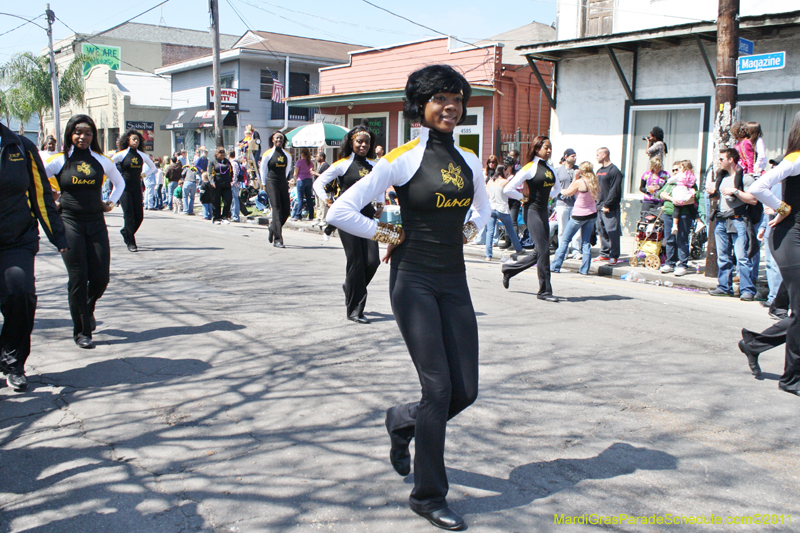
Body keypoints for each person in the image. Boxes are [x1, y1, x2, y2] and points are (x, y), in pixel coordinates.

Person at [326, 64, 490, 531]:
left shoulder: (470, 160)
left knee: (466, 390)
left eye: (457, 98)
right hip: (412, 280)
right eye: (440, 98)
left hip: (454, 282)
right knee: (437, 388)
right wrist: (387, 230)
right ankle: (428, 494)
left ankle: (401, 422)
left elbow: (483, 209)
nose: (451, 106)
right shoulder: (403, 157)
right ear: (421, 106)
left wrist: (471, 230)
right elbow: (342, 209)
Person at [44, 115, 125, 349]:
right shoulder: (59, 161)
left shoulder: (101, 160)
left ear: (93, 136)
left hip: (96, 223)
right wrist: (52, 198)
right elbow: (37, 178)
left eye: (88, 133)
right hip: (69, 222)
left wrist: (110, 203)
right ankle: (81, 332)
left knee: (100, 278)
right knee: (78, 278)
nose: (83, 137)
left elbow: (119, 184)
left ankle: (86, 308)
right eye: (78, 132)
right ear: (70, 134)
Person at [0, 121, 69, 391]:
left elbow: (40, 195)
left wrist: (58, 237)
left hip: (17, 239)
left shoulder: (20, 146)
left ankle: (14, 362)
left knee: (21, 294)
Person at [746, 110, 800, 396]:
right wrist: (783, 209)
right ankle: (791, 379)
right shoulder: (796, 158)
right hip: (790, 238)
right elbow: (758, 186)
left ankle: (755, 344)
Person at [314, 125, 382, 323]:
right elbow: (318, 183)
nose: (363, 145)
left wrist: (380, 204)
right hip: (347, 216)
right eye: (359, 141)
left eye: (366, 142)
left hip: (368, 216)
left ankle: (350, 286)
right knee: (357, 261)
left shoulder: (375, 165)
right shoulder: (342, 164)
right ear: (351, 143)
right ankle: (354, 310)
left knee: (373, 261)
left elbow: (379, 186)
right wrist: (328, 201)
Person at [501, 136, 561, 301]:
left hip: (543, 211)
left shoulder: (550, 169)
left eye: (550, 148)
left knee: (540, 251)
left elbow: (558, 188)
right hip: (532, 211)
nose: (549, 150)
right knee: (543, 251)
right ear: (537, 148)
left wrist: (549, 199)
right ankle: (544, 291)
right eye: (546, 147)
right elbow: (508, 189)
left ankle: (509, 269)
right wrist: (522, 197)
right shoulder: (530, 167)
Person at [706, 148, 758, 299]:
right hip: (721, 220)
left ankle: (747, 289)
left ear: (731, 160)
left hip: (738, 219)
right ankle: (724, 287)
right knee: (722, 256)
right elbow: (719, 199)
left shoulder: (746, 178)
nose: (719, 162)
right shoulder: (721, 177)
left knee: (742, 257)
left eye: (722, 159)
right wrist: (712, 194)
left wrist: (735, 191)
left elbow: (753, 199)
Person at [551, 161, 600, 275]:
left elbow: (568, 192)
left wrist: (573, 179)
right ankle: (584, 269)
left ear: (582, 171)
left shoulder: (580, 182)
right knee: (586, 242)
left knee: (565, 239)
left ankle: (555, 266)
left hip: (578, 215)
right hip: (592, 213)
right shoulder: (594, 181)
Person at [112, 129, 157, 252]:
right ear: (128, 140)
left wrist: (142, 175)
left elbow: (153, 168)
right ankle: (131, 242)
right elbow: (108, 164)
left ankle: (125, 232)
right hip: (124, 188)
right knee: (128, 215)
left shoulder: (142, 155)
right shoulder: (121, 154)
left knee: (139, 216)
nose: (136, 141)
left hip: (136, 187)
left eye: (138, 139)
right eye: (133, 139)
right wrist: (116, 176)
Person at [658, 162, 698, 277]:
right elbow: (661, 193)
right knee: (669, 239)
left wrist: (682, 201)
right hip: (668, 213)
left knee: (682, 239)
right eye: (673, 170)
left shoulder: (689, 181)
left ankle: (682, 264)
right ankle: (670, 262)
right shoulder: (671, 183)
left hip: (683, 214)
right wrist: (672, 198)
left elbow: (695, 197)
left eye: (677, 170)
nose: (675, 172)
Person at [259, 132, 293, 248]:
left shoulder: (287, 155)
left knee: (286, 210)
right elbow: (263, 170)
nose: (279, 139)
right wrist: (264, 184)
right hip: (271, 181)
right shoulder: (268, 154)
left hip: (282, 181)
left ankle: (273, 227)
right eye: (277, 138)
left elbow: (287, 170)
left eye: (281, 138)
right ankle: (278, 239)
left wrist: (284, 181)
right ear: (273, 140)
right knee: (277, 208)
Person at [483, 164, 523, 261]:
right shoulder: (505, 182)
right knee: (510, 230)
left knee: (490, 232)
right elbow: (511, 191)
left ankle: (488, 255)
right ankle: (518, 249)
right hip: (503, 208)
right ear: (503, 171)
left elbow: (487, 194)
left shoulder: (490, 182)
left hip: (491, 207)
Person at [594, 147, 623, 265]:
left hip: (609, 207)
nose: (596, 157)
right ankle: (605, 253)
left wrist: (607, 204)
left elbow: (614, 190)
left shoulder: (614, 171)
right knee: (602, 231)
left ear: (604, 155)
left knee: (612, 231)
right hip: (599, 205)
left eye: (597, 155)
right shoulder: (600, 170)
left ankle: (614, 255)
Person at [554, 148, 581, 258]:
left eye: (575, 156)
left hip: (576, 204)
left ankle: (576, 250)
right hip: (562, 204)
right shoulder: (558, 170)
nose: (574, 158)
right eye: (572, 156)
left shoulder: (578, 170)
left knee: (576, 230)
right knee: (562, 229)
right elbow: (554, 186)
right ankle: (563, 251)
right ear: (566, 157)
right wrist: (560, 191)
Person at [667, 160, 697, 235]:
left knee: (677, 209)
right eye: (673, 170)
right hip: (688, 193)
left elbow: (669, 181)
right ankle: (698, 221)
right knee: (692, 208)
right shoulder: (691, 175)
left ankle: (674, 225)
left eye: (678, 168)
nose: (675, 172)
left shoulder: (680, 175)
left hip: (680, 193)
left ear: (682, 168)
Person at [208, 147, 232, 225]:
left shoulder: (226, 161)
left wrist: (231, 179)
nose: (222, 156)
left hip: (226, 184)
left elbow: (231, 171)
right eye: (220, 155)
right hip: (216, 184)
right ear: (217, 154)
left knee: (228, 200)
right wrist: (212, 181)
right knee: (216, 201)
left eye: (223, 155)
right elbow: (210, 172)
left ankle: (225, 216)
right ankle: (216, 217)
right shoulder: (213, 162)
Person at [291, 148, 314, 221]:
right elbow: (312, 172)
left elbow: (296, 173)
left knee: (300, 198)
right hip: (309, 180)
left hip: (301, 180)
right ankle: (311, 215)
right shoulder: (311, 162)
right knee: (309, 198)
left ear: (302, 154)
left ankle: (298, 215)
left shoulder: (299, 162)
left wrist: (294, 178)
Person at [311, 152, 331, 227]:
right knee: (318, 204)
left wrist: (315, 173)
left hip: (323, 188)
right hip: (317, 188)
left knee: (323, 204)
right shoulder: (319, 165)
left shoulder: (326, 166)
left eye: (317, 156)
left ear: (321, 157)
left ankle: (323, 219)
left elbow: (325, 176)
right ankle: (318, 218)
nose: (316, 158)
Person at [228, 150, 243, 222]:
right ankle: (234, 215)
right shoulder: (235, 163)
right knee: (234, 200)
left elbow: (234, 174)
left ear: (228, 155)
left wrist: (231, 182)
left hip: (234, 184)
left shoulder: (233, 163)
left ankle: (235, 216)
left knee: (234, 200)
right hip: (236, 183)